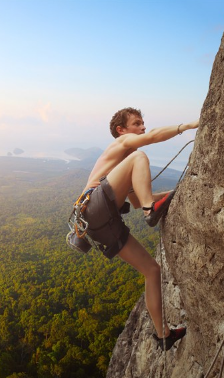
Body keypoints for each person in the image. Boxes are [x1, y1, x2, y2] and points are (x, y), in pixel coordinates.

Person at [81, 107, 199, 351]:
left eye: (143, 123)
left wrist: (180, 190)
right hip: (94, 206)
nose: (143, 127)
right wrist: (186, 126)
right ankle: (152, 210)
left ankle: (163, 334)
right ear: (121, 130)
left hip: (99, 224)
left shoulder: (124, 169)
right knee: (140, 156)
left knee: (152, 270)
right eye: (137, 123)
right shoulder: (123, 145)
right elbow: (153, 137)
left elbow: (137, 201)